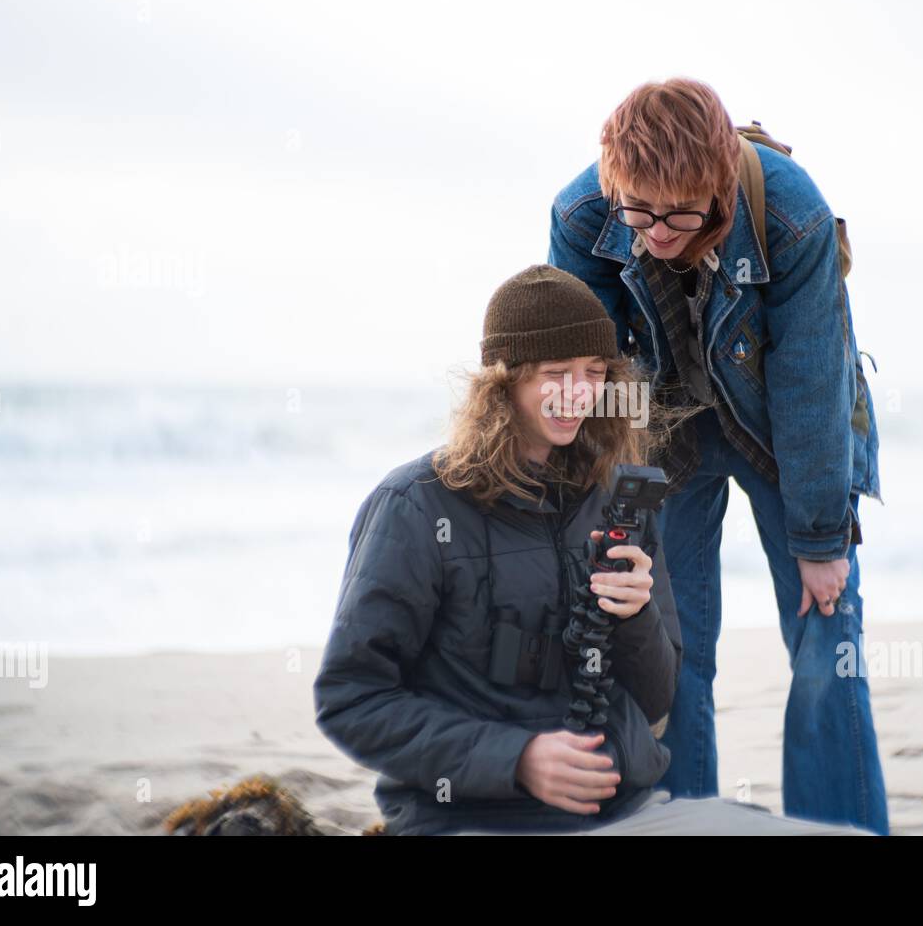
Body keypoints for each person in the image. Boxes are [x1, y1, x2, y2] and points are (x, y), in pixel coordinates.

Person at [312, 263, 871, 836]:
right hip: (471, 820)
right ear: (502, 381)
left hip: (626, 816)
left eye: (595, 372)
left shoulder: (620, 494)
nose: (578, 395)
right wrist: (516, 758)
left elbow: (658, 697)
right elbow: (351, 699)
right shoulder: (414, 505)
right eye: (555, 373)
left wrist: (635, 617)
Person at [547, 78, 889, 836]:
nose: (657, 231)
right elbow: (584, 378)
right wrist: (597, 504)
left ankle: (840, 831)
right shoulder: (583, 214)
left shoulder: (792, 215)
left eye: (679, 213)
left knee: (825, 639)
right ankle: (689, 823)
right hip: (668, 429)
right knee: (671, 649)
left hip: (783, 429)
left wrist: (820, 540)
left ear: (718, 186)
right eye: (639, 209)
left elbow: (811, 388)